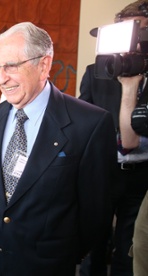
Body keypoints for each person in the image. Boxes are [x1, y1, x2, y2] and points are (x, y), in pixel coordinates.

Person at [0, 22, 117, 276]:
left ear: (43, 65)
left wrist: (64, 254)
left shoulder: (90, 124)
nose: (0, 78)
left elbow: (96, 213)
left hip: (47, 264)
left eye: (11, 66)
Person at [78, 1, 148, 275]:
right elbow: (83, 123)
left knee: (131, 244)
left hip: (142, 175)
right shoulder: (95, 73)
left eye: (138, 31)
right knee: (95, 237)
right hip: (104, 170)